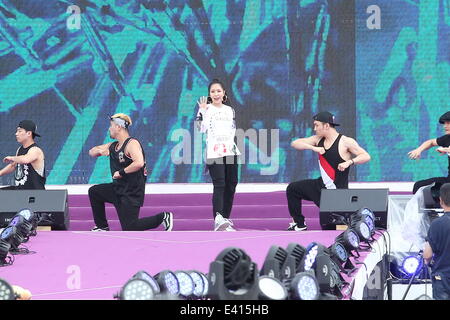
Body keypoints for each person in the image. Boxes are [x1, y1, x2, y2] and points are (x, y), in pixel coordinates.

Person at [286, 111, 371, 231]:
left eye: (317, 125)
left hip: (336, 193)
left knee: (334, 227)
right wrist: (313, 148)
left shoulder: (345, 141)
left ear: (326, 126)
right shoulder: (317, 140)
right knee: (293, 188)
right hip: (320, 187)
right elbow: (295, 143)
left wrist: (349, 162)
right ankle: (299, 224)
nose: (314, 128)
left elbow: (366, 156)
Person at [88, 113, 173, 231]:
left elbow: (139, 163)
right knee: (94, 191)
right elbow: (92, 152)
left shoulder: (132, 144)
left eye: (111, 125)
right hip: (118, 189)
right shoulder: (113, 146)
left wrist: (121, 172)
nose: (109, 128)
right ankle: (102, 226)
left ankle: (163, 217)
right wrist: (98, 151)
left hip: (131, 192)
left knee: (130, 227)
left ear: (118, 127)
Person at [196, 79, 241, 231]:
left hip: (230, 149)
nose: (216, 94)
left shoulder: (230, 110)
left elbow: (232, 129)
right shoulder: (206, 109)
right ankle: (218, 219)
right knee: (220, 183)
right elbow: (200, 129)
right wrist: (202, 111)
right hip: (214, 151)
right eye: (213, 91)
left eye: (218, 91)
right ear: (209, 95)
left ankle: (225, 219)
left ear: (224, 93)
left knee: (232, 183)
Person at [409, 111, 450, 194]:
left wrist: (447, 150)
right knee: (419, 186)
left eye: (448, 123)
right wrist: (419, 150)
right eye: (444, 123)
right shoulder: (447, 139)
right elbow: (431, 142)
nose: (445, 126)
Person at [0, 120, 45, 190]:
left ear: (29, 133)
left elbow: (25, 159)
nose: (16, 134)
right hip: (20, 191)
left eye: (19, 131)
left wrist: (11, 158)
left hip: (34, 194)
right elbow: (13, 165)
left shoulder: (35, 150)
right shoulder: (20, 149)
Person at [423, 182, 450, 300]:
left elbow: (427, 255)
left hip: (442, 278)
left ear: (441, 200)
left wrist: (427, 262)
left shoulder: (436, 224)